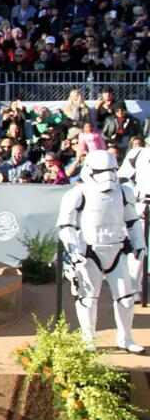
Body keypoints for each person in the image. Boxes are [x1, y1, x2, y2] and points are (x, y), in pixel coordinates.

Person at [57, 150, 145, 352]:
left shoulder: (123, 192)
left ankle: (126, 338)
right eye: (101, 171)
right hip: (89, 251)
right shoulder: (78, 193)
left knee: (126, 298)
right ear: (89, 170)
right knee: (88, 298)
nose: (108, 176)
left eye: (111, 170)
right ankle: (89, 338)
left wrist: (139, 243)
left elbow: (132, 221)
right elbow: (65, 225)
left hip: (117, 249)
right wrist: (73, 250)